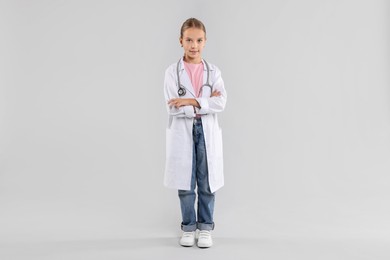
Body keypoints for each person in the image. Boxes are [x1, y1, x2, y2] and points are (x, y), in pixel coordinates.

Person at [163, 18, 227, 248]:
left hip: (206, 132)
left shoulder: (214, 72)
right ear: (181, 41)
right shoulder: (172, 72)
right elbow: (172, 106)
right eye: (189, 40)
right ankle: (189, 227)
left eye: (198, 40)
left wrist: (189, 101)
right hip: (184, 132)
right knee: (186, 182)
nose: (194, 45)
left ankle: (206, 227)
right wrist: (203, 104)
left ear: (205, 42)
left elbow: (221, 102)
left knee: (207, 181)